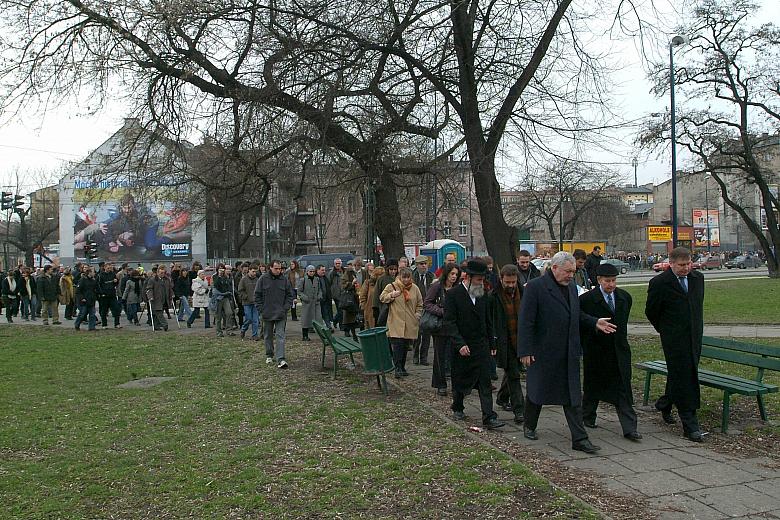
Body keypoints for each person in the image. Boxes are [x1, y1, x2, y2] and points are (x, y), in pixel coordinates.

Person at [518, 251, 616, 454]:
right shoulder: (536, 287)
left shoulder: (571, 287)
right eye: (568, 271)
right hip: (543, 351)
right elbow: (526, 321)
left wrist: (594, 322)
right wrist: (525, 350)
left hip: (569, 350)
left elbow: (576, 313)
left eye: (574, 271)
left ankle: (579, 438)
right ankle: (529, 425)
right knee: (537, 391)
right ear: (554, 268)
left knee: (572, 396)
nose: (571, 275)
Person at [645, 247, 706, 442]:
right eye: (681, 265)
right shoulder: (660, 283)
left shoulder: (698, 279)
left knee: (682, 373)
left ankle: (665, 404)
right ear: (670, 263)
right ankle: (690, 424)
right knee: (685, 376)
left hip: (694, 337)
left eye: (688, 264)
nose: (685, 268)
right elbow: (652, 311)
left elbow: (697, 306)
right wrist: (666, 329)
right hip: (673, 339)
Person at [579, 262, 641, 441]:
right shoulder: (586, 300)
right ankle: (587, 416)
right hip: (596, 351)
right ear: (599, 280)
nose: (611, 284)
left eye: (614, 280)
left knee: (623, 388)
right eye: (607, 281)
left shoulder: (624, 298)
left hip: (619, 350)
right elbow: (580, 323)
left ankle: (629, 427)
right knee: (592, 386)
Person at [443, 258, 504, 429]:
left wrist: (492, 344)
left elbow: (487, 320)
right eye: (478, 280)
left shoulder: (483, 295)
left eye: (483, 279)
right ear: (467, 278)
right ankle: (458, 406)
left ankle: (488, 416)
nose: (481, 283)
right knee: (461, 379)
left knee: (485, 381)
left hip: (481, 345)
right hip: (462, 346)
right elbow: (449, 322)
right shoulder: (453, 295)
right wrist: (459, 343)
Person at [490, 264, 525, 425]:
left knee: (513, 372)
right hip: (504, 340)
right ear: (501, 279)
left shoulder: (523, 293)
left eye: (513, 282)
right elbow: (491, 320)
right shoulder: (493, 296)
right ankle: (520, 410)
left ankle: (502, 397)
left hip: (520, 339)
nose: (511, 286)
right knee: (514, 374)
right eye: (507, 282)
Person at [380, 266, 423, 378]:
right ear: (399, 277)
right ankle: (397, 368)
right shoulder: (392, 286)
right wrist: (391, 295)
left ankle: (402, 367)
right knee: (397, 346)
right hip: (395, 322)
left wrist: (417, 315)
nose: (405, 280)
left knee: (405, 347)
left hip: (409, 322)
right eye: (403, 277)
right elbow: (382, 297)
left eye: (408, 277)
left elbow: (420, 303)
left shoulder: (414, 288)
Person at [424, 263, 460, 396]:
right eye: (452, 274)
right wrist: (441, 311)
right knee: (440, 354)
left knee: (453, 354)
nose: (454, 277)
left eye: (456, 274)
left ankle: (456, 384)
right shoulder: (437, 286)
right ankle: (441, 383)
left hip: (454, 326)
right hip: (439, 326)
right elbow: (427, 303)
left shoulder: (457, 288)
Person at [255, 260, 294, 369]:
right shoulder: (263, 279)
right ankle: (269, 354)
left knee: (280, 335)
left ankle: (281, 358)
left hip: (281, 313)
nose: (278, 270)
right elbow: (257, 295)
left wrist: (285, 307)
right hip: (267, 312)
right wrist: (261, 309)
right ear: (270, 268)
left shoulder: (284, 280)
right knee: (268, 335)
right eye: (276, 268)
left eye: (280, 268)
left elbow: (290, 295)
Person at [412, 255, 434, 365]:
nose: (424, 266)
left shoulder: (431, 276)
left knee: (426, 335)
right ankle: (415, 355)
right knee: (417, 335)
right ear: (417, 265)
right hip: (416, 309)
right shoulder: (412, 277)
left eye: (425, 264)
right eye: (421, 264)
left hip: (428, 309)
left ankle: (424, 357)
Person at [297, 265, 322, 341]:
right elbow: (299, 291)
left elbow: (320, 289)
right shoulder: (303, 280)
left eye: (313, 271)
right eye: (310, 271)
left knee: (318, 319)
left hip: (316, 303)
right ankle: (305, 335)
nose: (312, 273)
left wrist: (319, 296)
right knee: (306, 319)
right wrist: (305, 298)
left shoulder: (317, 279)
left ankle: (322, 336)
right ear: (307, 272)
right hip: (307, 303)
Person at [145, 265, 172, 331]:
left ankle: (156, 326)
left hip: (164, 299)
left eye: (164, 273)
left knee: (159, 312)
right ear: (157, 273)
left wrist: (172, 294)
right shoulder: (153, 280)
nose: (163, 274)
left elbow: (170, 288)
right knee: (159, 312)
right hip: (156, 299)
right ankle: (165, 324)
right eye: (161, 273)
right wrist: (150, 297)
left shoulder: (166, 280)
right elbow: (149, 289)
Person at [211, 265, 236, 337]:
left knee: (229, 313)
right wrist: (219, 276)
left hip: (226, 297)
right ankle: (219, 331)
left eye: (223, 269)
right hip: (218, 297)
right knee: (218, 315)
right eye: (220, 269)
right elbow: (215, 285)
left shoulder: (226, 277)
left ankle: (229, 330)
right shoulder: (215, 276)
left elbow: (228, 285)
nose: (221, 270)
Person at [372, 258, 398, 325]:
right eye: (391, 269)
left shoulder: (400, 278)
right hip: (385, 307)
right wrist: (375, 307)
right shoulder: (382, 279)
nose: (393, 271)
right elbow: (376, 293)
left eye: (395, 269)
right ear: (387, 269)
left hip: (398, 307)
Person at [97, 262, 122, 329]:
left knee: (116, 309)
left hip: (112, 295)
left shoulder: (113, 274)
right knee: (104, 311)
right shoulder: (100, 275)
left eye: (110, 268)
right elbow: (98, 285)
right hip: (104, 295)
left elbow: (116, 283)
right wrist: (101, 293)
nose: (109, 269)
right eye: (108, 268)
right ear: (104, 267)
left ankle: (117, 324)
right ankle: (104, 325)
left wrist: (116, 281)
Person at [237, 265, 260, 340]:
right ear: (249, 270)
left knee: (255, 320)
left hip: (255, 303)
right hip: (247, 303)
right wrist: (245, 297)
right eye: (253, 271)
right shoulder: (244, 280)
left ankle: (255, 335)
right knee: (248, 318)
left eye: (256, 272)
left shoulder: (257, 280)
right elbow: (240, 291)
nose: (254, 273)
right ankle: (243, 329)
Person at [339, 267, 360, 341]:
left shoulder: (354, 276)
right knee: (348, 318)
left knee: (353, 318)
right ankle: (347, 331)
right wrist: (352, 283)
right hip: (348, 300)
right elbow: (344, 287)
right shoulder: (344, 278)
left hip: (354, 298)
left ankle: (353, 333)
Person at [74, 267, 99, 331]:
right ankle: (77, 324)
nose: (94, 273)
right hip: (84, 300)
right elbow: (78, 291)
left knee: (92, 314)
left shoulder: (93, 280)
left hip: (91, 300)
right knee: (82, 314)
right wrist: (82, 298)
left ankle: (91, 327)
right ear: (89, 273)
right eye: (93, 272)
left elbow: (96, 289)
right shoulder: (82, 280)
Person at [328, 258, 345, 329]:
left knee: (343, 309)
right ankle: (341, 325)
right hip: (336, 294)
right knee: (340, 310)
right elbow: (329, 283)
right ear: (334, 264)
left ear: (341, 263)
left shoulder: (344, 271)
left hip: (344, 294)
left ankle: (335, 320)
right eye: (336, 263)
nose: (338, 265)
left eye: (339, 263)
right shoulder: (332, 273)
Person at [316, 264, 334, 330]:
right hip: (318, 300)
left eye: (324, 270)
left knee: (326, 313)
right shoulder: (315, 278)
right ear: (317, 270)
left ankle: (328, 326)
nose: (324, 271)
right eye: (322, 270)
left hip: (325, 299)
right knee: (318, 315)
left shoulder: (325, 278)